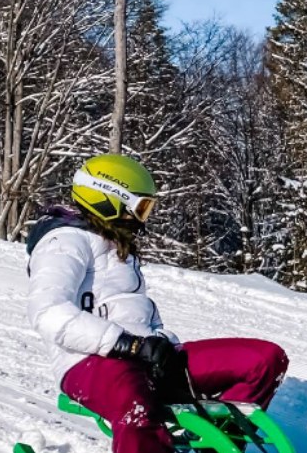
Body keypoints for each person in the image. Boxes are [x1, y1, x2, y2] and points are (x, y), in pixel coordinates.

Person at [26, 154, 289, 453]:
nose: (144, 216)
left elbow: (139, 316)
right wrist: (127, 344)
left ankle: (215, 449)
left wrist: (160, 342)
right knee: (136, 408)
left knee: (264, 360)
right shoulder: (64, 242)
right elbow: (48, 312)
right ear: (109, 200)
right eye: (139, 207)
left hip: (145, 358)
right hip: (89, 361)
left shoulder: (117, 246)